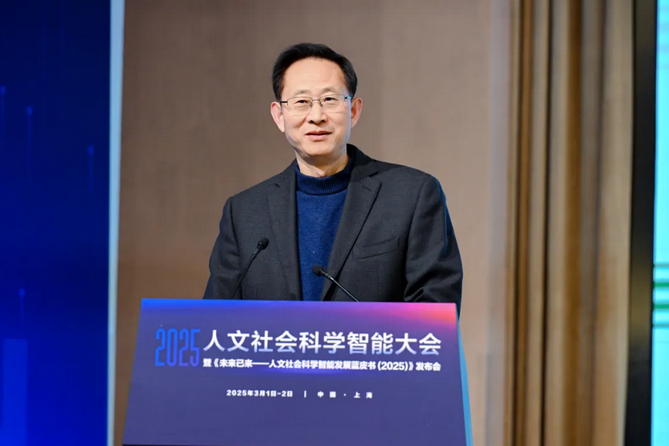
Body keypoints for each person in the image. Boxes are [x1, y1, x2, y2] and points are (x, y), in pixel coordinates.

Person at [203, 43, 463, 314]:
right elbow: (216, 319)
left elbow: (435, 312)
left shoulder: (412, 196)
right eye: (301, 102)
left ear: (354, 110)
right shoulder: (244, 213)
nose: (317, 117)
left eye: (330, 100)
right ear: (279, 116)